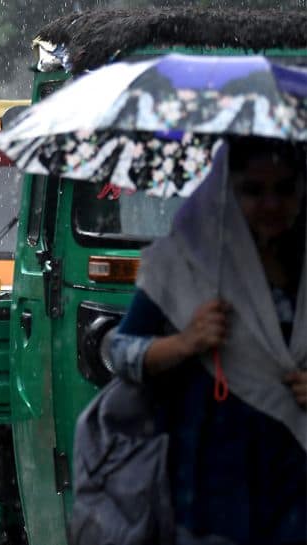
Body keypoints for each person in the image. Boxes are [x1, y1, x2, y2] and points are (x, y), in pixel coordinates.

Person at [105, 139, 306, 544]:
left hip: (296, 488)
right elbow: (119, 351)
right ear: (227, 192)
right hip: (210, 489)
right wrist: (185, 342)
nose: (271, 205)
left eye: (284, 189)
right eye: (253, 190)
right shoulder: (183, 266)